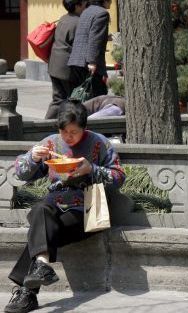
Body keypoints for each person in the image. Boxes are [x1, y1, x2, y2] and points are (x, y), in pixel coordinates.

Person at [4, 99, 125, 313]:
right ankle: (41, 267)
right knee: (41, 211)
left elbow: (119, 177)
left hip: (85, 210)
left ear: (84, 128)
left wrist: (92, 170)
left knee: (42, 226)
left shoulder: (99, 143)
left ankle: (27, 291)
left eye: (74, 132)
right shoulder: (50, 143)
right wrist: (32, 158)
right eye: (64, 131)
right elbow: (21, 172)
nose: (68, 137)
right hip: (53, 205)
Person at [45, 0, 89, 119]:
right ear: (77, 5)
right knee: (73, 100)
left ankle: (44, 126)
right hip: (68, 68)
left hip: (54, 65)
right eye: (85, 3)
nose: (86, 5)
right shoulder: (79, 22)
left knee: (58, 99)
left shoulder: (63, 18)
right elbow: (79, 46)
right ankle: (70, 127)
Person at [67, 0, 112, 98]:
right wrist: (92, 62)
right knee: (94, 97)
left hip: (76, 61)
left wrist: (105, 37)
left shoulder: (86, 11)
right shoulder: (102, 13)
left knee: (80, 96)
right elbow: (95, 39)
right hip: (88, 64)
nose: (111, 2)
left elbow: (87, 34)